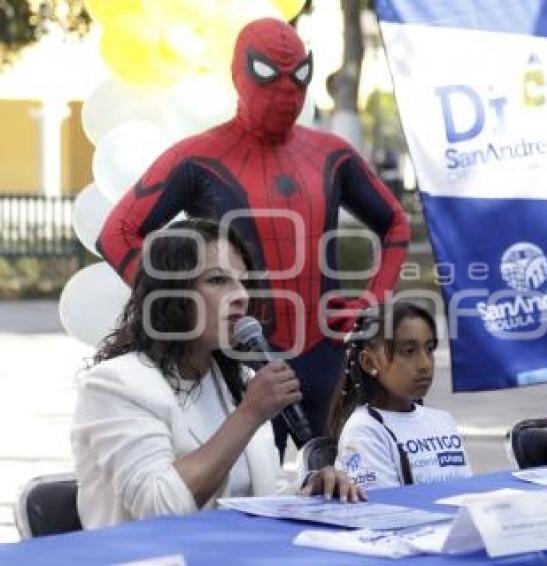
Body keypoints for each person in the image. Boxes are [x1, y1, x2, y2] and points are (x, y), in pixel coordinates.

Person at [96, 18, 410, 456]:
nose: (285, 90)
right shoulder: (197, 156)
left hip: (326, 356)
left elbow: (396, 223)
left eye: (298, 74)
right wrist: (184, 313)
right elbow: (117, 234)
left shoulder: (332, 154)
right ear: (240, 73)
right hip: (237, 361)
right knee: (237, 497)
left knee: (343, 492)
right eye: (269, 74)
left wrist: (371, 301)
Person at [72, 219, 364, 530]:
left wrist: (309, 490)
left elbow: (259, 493)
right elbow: (158, 508)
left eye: (242, 282)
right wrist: (249, 413)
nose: (240, 295)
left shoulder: (237, 379)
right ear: (172, 293)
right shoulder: (116, 384)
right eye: (217, 281)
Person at [326, 303, 472, 489]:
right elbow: (387, 510)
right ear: (369, 362)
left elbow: (467, 493)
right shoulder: (365, 430)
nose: (425, 364)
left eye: (429, 349)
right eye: (409, 351)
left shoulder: (444, 421)